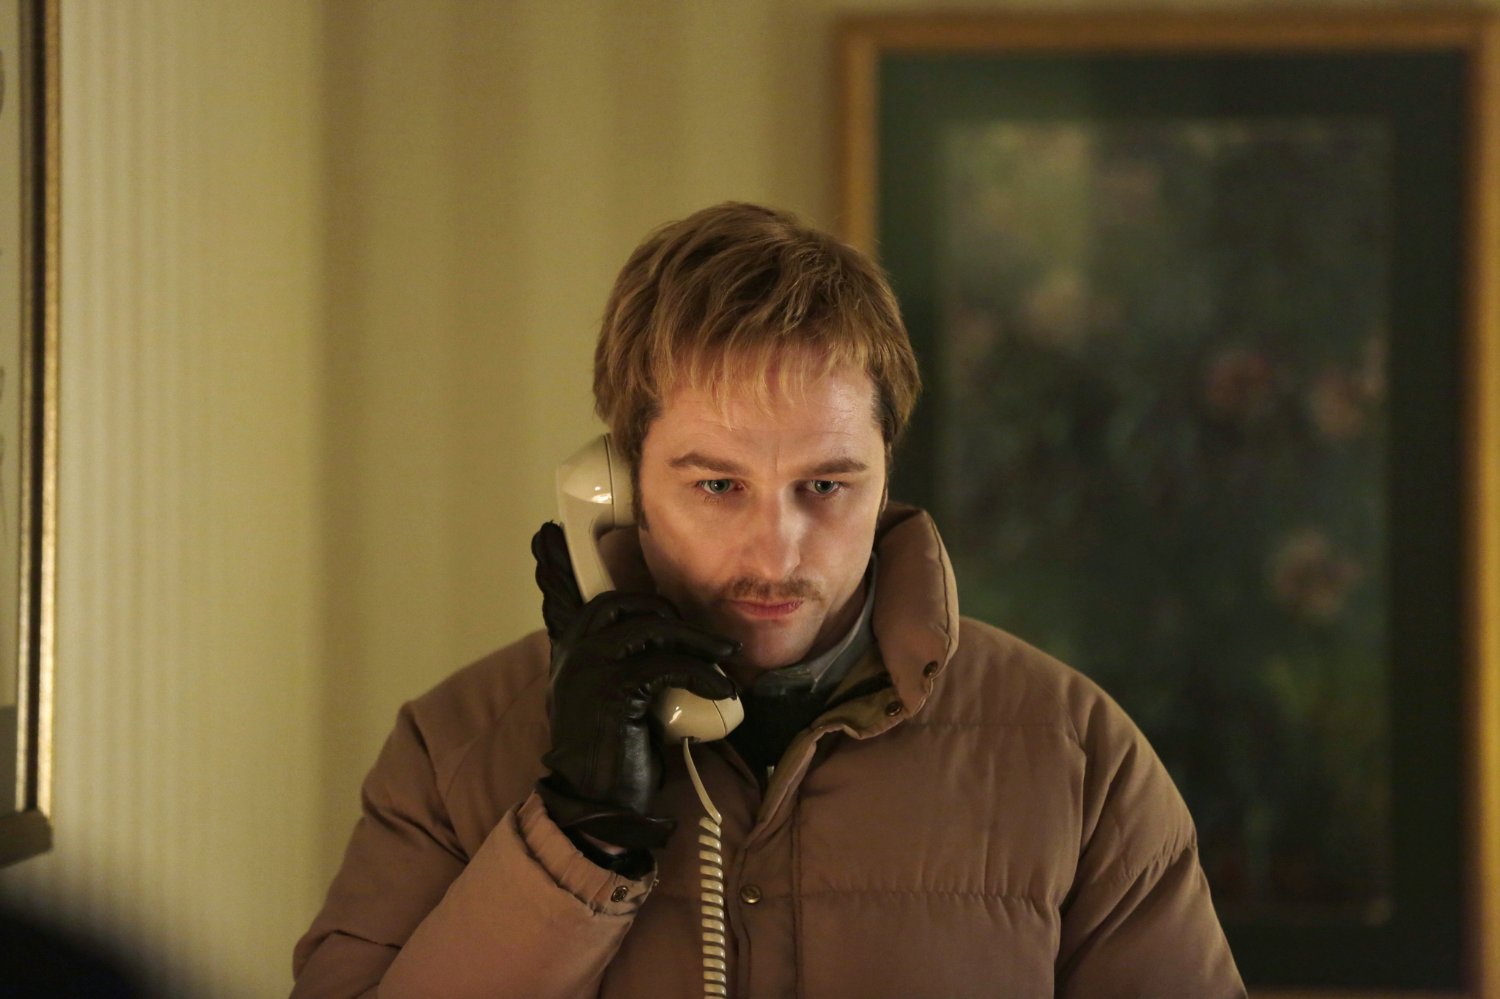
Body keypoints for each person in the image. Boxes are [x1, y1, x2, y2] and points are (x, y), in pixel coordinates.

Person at [291, 202, 1245, 997]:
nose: (777, 552)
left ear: (885, 472)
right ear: (617, 485)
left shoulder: (1080, 758)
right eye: (718, 486)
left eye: (825, 486)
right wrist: (574, 835)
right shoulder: (452, 748)